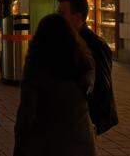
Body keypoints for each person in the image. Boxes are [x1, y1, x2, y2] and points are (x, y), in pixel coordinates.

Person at [14, 13, 96, 156]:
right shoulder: (83, 61)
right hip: (80, 136)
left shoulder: (36, 66)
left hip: (47, 140)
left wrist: (20, 142)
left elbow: (27, 112)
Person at [58, 0, 119, 135]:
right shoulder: (69, 39)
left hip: (85, 116)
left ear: (77, 17)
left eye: (62, 13)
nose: (58, 18)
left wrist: (93, 121)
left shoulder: (94, 45)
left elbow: (101, 85)